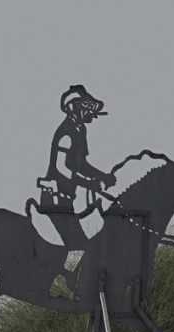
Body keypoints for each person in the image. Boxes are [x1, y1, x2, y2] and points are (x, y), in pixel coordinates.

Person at [32, 84, 117, 250]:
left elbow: (82, 164)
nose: (90, 111)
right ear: (73, 108)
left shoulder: (80, 130)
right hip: (55, 198)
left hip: (67, 197)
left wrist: (102, 176)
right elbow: (61, 169)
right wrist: (89, 183)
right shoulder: (65, 133)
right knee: (78, 247)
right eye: (85, 106)